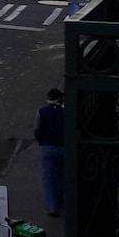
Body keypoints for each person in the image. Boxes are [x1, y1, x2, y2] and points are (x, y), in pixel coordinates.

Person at [34, 89, 66, 217]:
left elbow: (36, 129)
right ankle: (60, 197)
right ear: (60, 99)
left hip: (47, 147)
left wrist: (41, 141)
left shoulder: (41, 112)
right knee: (63, 175)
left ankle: (53, 207)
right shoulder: (66, 112)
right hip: (64, 147)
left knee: (49, 178)